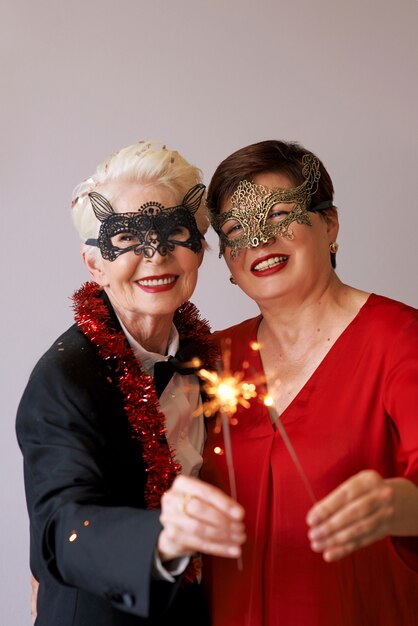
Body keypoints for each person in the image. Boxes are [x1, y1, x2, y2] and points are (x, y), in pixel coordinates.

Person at [16, 141, 245, 626]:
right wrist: (162, 537)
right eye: (125, 241)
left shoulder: (211, 360)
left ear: (199, 249)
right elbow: (60, 527)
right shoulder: (63, 379)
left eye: (174, 232)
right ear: (94, 264)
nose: (155, 255)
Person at [201, 139, 418, 625]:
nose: (258, 241)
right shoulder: (210, 360)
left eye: (278, 214)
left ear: (330, 224)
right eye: (236, 229)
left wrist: (405, 505)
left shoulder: (401, 340)